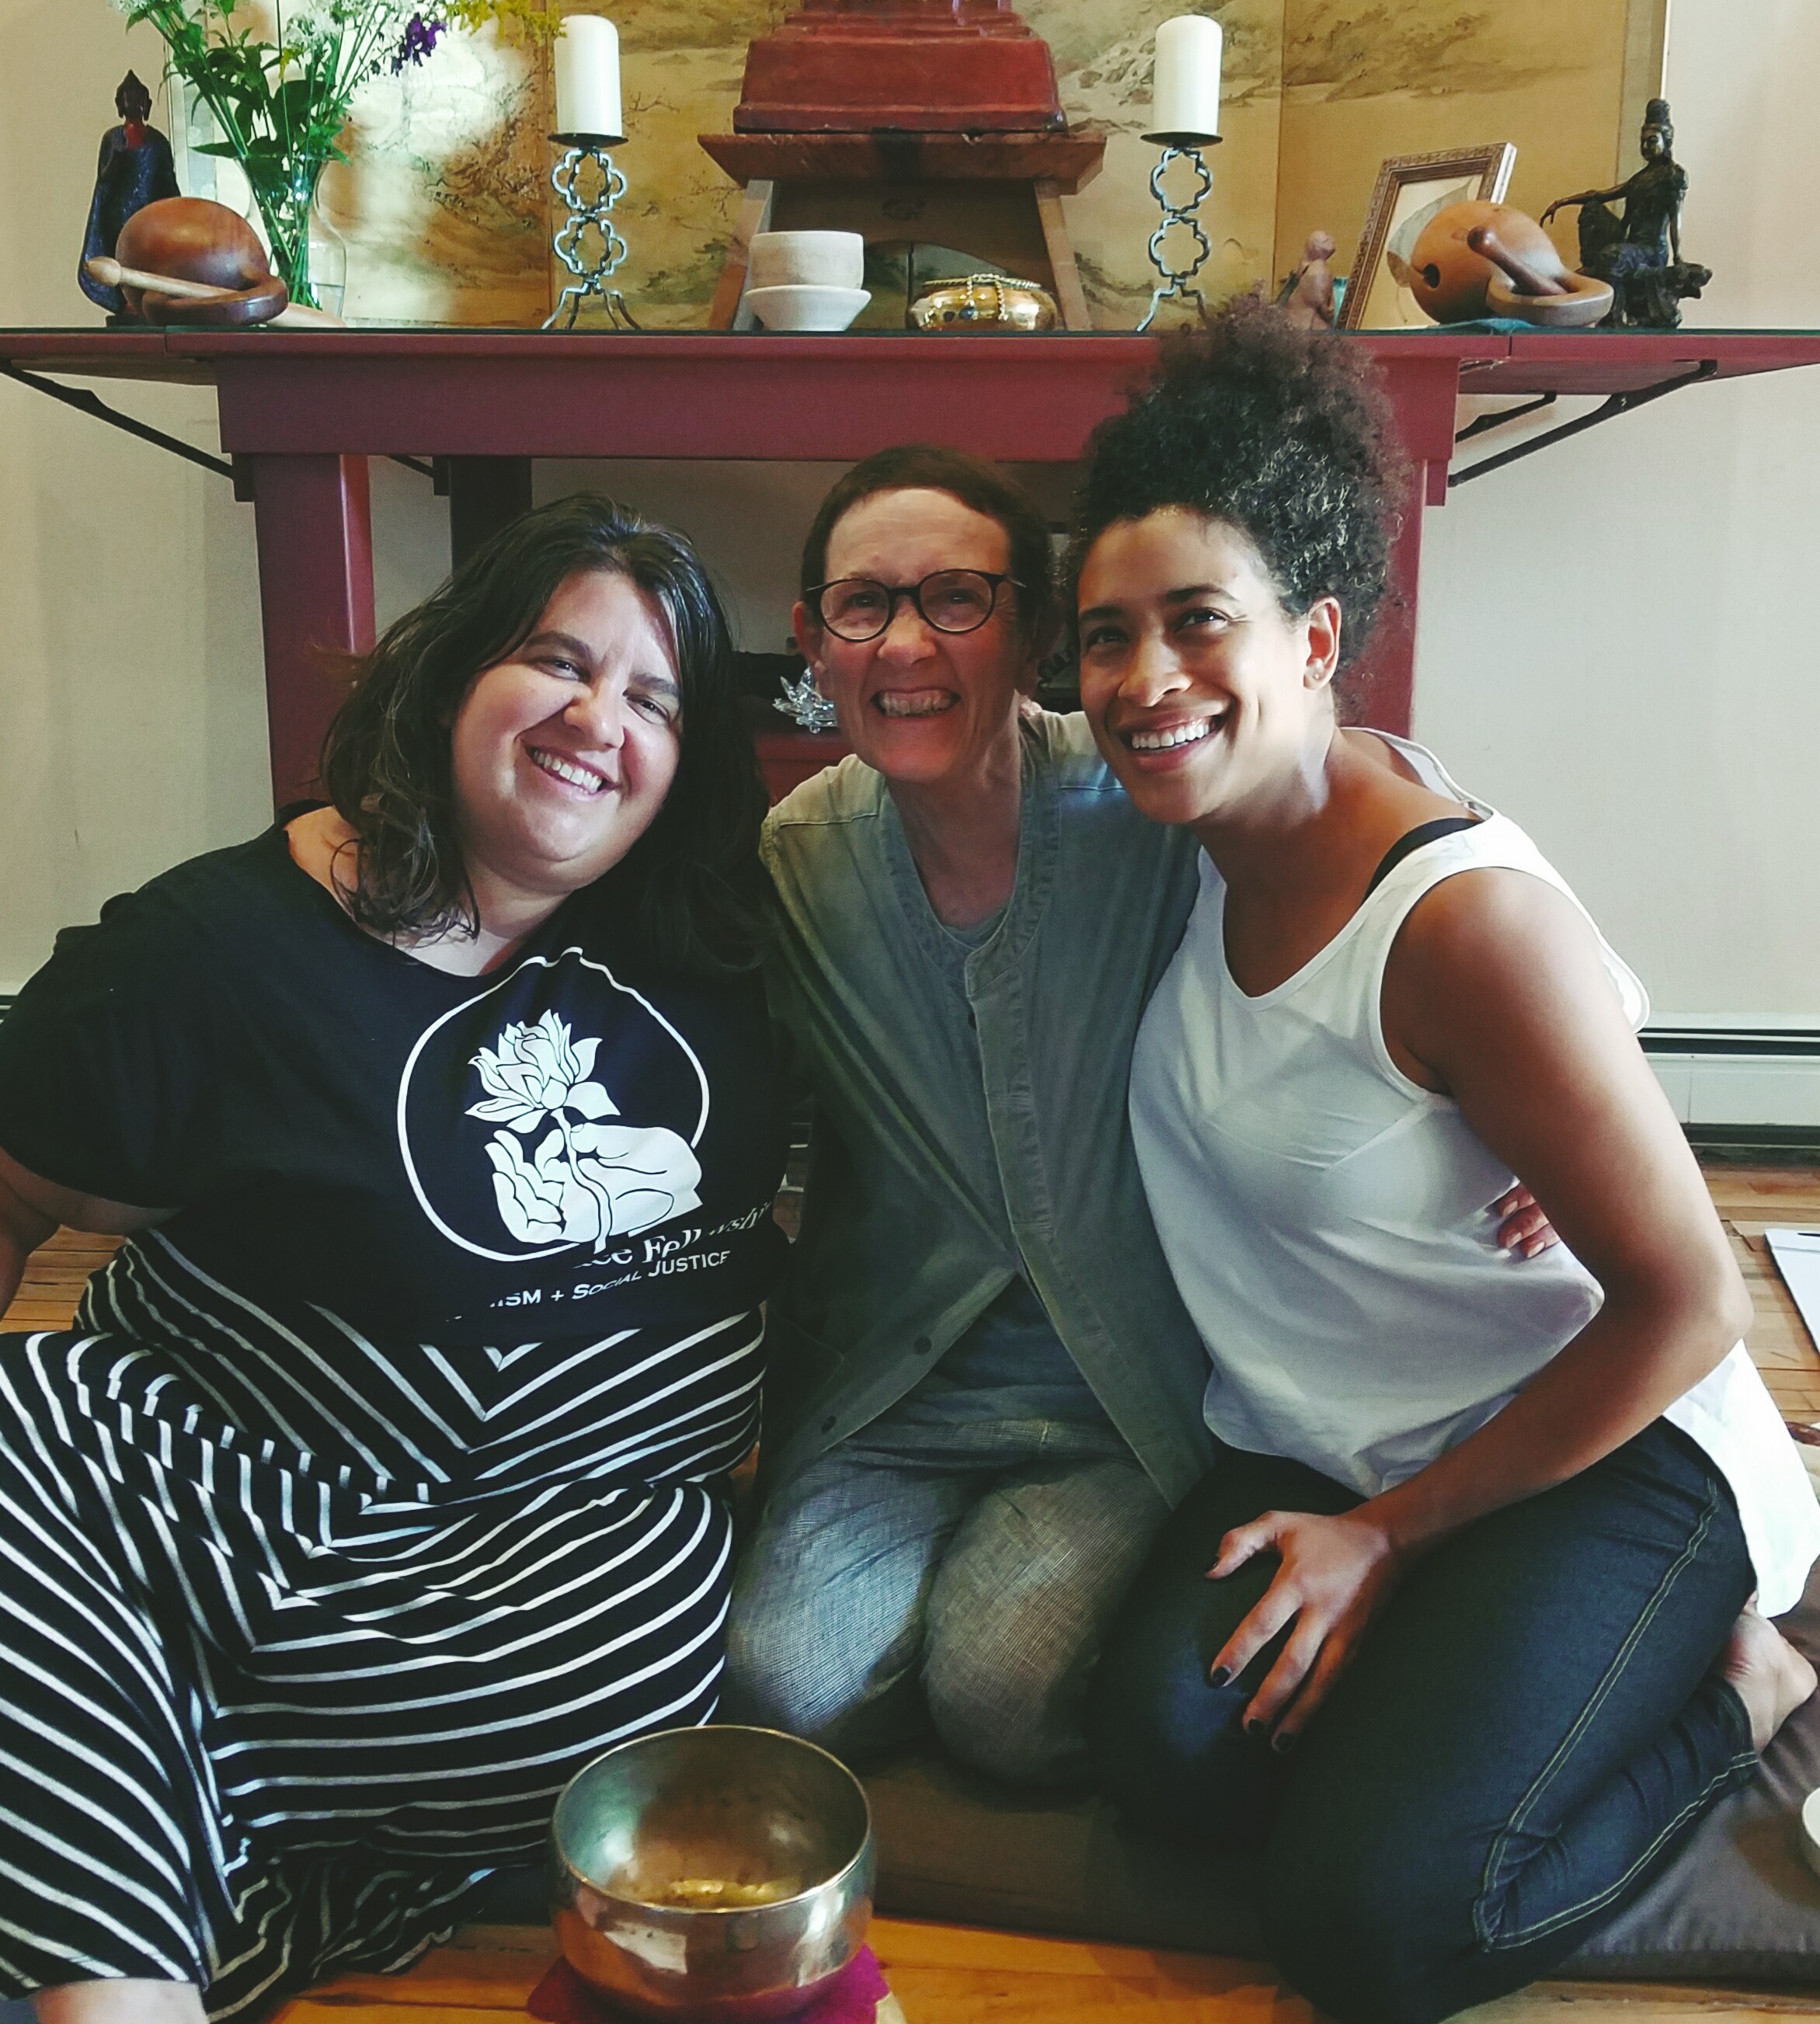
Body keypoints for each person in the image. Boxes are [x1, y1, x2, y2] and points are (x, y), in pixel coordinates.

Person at [1068, 302, 1820, 2024]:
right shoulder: (1185, 835)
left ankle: (1745, 1690)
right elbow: (1580, 965)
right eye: (1106, 636)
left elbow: (1693, 1299)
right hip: (1333, 1432)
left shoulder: (1454, 921)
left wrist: (1388, 1540)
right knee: (1164, 1761)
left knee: (1374, 1924)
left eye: (1197, 620)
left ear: (1315, 634)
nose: (1143, 678)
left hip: (1598, 1440)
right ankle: (1472, 1668)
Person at [0, 499, 785, 2024]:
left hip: (559, 1584)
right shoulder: (216, 946)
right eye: (556, 661)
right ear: (449, 675)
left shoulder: (721, 933)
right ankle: (122, 1967)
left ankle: (126, 1803)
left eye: (653, 699)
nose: (596, 719)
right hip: (227, 1512)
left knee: (95, 1705)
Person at [722, 444, 1548, 1785]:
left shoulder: (1152, 804)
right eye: (863, 604)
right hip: (896, 1380)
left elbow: (1383, 811)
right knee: (781, 1684)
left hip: (1121, 1381)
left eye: (956, 597)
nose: (906, 644)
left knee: (1004, 1694)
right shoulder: (797, 858)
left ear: (1034, 634)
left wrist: (1586, 1023)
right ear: (814, 641)